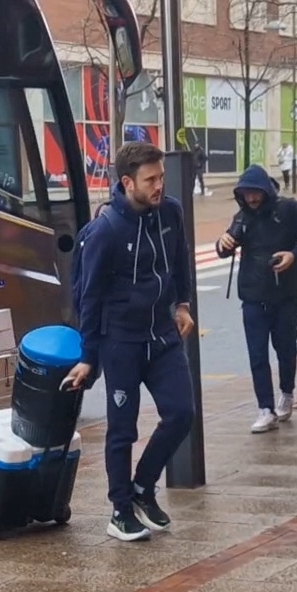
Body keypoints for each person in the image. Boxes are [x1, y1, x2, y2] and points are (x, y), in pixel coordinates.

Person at [64, 140, 196, 543]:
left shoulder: (169, 212)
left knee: (181, 413)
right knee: (122, 431)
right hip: (121, 343)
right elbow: (87, 297)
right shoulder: (105, 231)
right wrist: (89, 356)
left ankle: (143, 487)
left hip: (162, 335)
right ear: (127, 182)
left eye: (161, 177)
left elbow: (179, 262)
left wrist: (184, 304)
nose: (159, 186)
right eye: (150, 179)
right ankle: (121, 510)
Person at [216, 164, 297, 433]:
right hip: (252, 296)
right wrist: (223, 243)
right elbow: (225, 249)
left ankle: (287, 392)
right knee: (257, 354)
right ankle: (265, 408)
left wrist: (292, 255)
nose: (251, 199)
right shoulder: (242, 217)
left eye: (255, 193)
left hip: (285, 295)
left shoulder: (289, 209)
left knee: (286, 349)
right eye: (246, 194)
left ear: (265, 190)